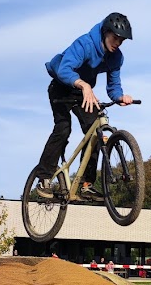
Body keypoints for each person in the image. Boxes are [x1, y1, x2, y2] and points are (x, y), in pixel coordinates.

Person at [35, 13, 134, 200]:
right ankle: (44, 177)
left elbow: (113, 86)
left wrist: (120, 96)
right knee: (63, 129)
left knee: (95, 131)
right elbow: (64, 70)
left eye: (121, 41)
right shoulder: (85, 44)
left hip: (83, 93)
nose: (118, 43)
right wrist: (83, 85)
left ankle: (86, 184)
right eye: (115, 38)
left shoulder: (116, 58)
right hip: (61, 86)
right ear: (105, 32)